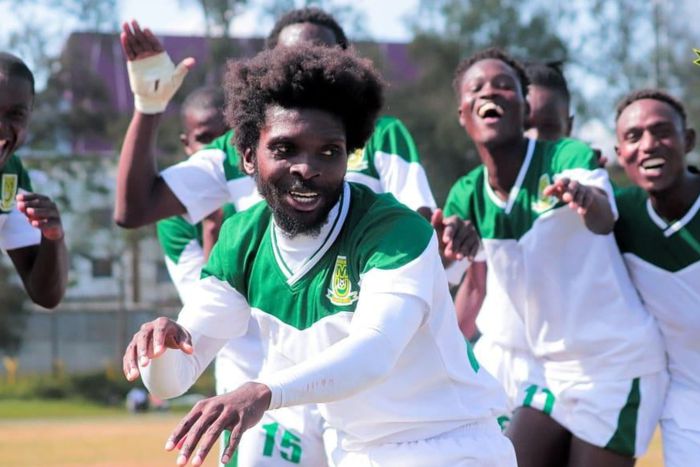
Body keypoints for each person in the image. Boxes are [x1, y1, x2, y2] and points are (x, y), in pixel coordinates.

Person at [123, 44, 514, 467]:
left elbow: (375, 350)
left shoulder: (395, 230)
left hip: (451, 445)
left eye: (329, 151)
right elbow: (174, 379)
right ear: (249, 157)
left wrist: (264, 391)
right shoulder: (241, 240)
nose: (307, 168)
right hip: (355, 452)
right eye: (285, 149)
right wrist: (160, 348)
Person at [445, 47, 667, 467]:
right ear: (462, 113)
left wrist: (585, 197)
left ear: (523, 105)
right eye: (477, 87)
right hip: (542, 369)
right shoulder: (467, 191)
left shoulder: (566, 157)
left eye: (503, 85)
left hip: (612, 365)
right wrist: (447, 244)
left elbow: (602, 217)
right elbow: (456, 273)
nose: (489, 92)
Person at [452, 61, 574, 429]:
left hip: (564, 369)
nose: (534, 138)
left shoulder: (585, 188)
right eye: (528, 127)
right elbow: (476, 285)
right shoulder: (477, 193)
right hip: (498, 360)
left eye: (548, 128)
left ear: (569, 126)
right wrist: (446, 353)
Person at [614, 89, 700, 467]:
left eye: (662, 132)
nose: (648, 145)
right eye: (634, 137)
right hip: (687, 407)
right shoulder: (619, 215)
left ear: (688, 140)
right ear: (620, 154)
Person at [0, 52, 67, 308]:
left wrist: (53, 237)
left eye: (15, 114)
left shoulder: (11, 174)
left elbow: (45, 294)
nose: (2, 126)